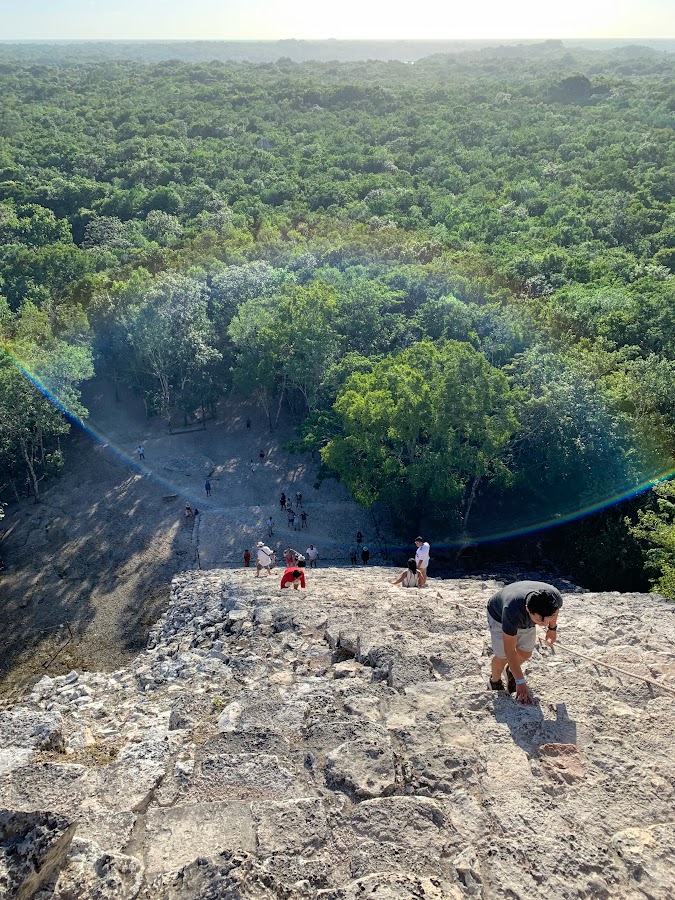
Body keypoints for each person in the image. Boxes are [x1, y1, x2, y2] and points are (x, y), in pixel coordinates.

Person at [486, 581, 563, 704]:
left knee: (526, 653)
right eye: (539, 619)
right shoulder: (512, 609)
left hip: (526, 621)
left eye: (548, 619)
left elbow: (556, 610)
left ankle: (511, 671)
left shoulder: (554, 598)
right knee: (502, 656)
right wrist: (520, 682)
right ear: (528, 609)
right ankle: (495, 681)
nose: (543, 623)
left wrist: (552, 629)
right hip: (499, 617)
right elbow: (509, 649)